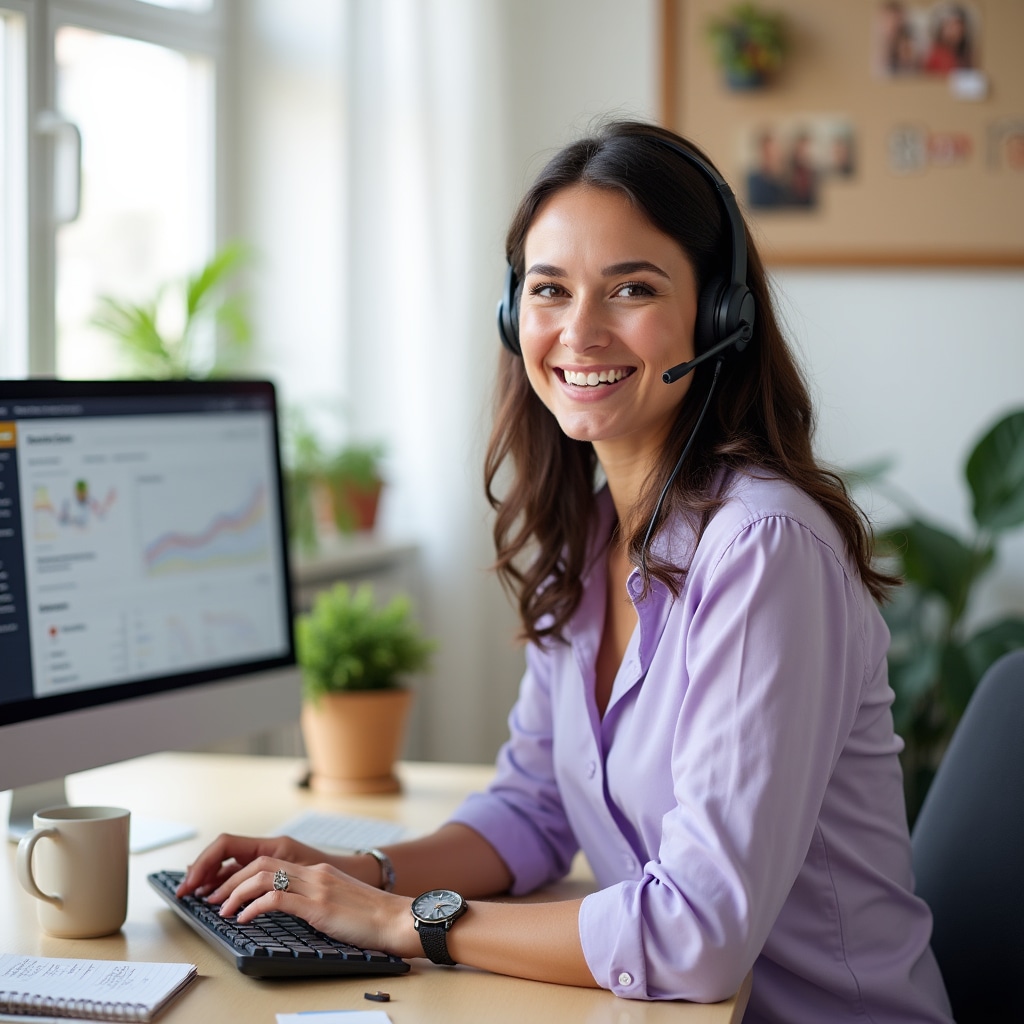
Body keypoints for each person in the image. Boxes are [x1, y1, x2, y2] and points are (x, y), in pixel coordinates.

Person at [177, 120, 954, 1023]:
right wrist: (345, 876)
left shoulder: (763, 550)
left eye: (632, 288)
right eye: (549, 290)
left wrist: (402, 921)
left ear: (717, 317)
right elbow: (536, 807)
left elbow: (696, 934)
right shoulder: (596, 533)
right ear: (516, 318)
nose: (580, 331)